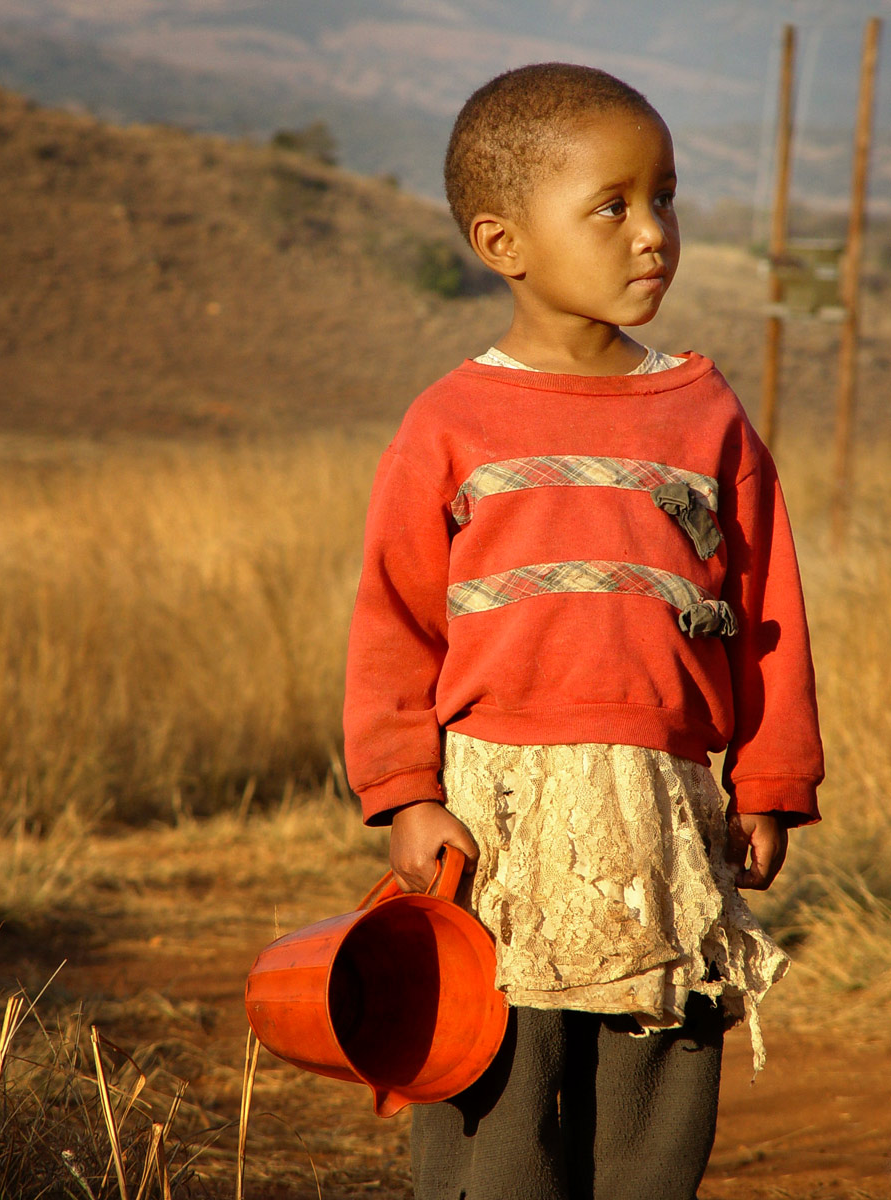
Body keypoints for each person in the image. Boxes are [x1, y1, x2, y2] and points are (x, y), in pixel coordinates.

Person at [343, 62, 823, 1200]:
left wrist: (771, 781)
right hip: (496, 816)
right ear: (503, 241)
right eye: (612, 206)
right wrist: (408, 793)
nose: (652, 233)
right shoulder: (449, 422)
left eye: (665, 197)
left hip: (667, 808)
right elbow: (393, 623)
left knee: (657, 1089)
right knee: (499, 1084)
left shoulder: (705, 414)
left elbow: (768, 616)